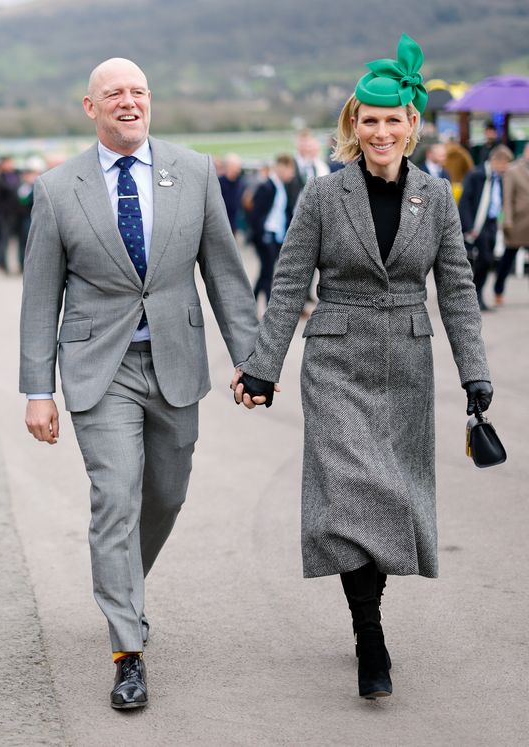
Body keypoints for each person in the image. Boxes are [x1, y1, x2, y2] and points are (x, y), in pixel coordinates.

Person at [234, 35, 493, 701]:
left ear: (412, 124)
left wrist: (476, 374)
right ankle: (369, 632)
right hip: (336, 358)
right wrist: (262, 367)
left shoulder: (435, 198)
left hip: (407, 359)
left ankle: (369, 618)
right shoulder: (323, 196)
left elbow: (458, 290)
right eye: (367, 120)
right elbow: (289, 283)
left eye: (392, 119)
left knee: (391, 496)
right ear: (355, 125)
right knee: (351, 496)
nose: (380, 131)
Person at [19, 58, 257, 710]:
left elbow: (226, 275)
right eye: (114, 93)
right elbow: (40, 298)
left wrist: (250, 357)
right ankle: (128, 646)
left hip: (176, 360)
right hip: (103, 369)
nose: (129, 101)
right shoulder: (57, 189)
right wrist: (38, 389)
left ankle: (120, 582)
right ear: (91, 107)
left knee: (167, 494)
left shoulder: (196, 172)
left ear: (149, 102)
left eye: (138, 91)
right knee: (116, 497)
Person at [460, 145, 513, 310]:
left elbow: (500, 201)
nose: (505, 168)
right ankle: (474, 294)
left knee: (487, 260)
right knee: (486, 258)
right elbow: (465, 202)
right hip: (478, 224)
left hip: (491, 224)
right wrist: (468, 227)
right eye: (504, 164)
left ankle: (477, 294)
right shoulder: (477, 174)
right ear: (495, 160)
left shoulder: (500, 177)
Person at [248, 154, 297, 305]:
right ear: (282, 168)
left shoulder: (281, 187)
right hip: (266, 236)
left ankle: (252, 304)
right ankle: (268, 307)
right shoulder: (267, 186)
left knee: (265, 272)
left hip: (277, 236)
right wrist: (260, 234)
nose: (292, 174)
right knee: (268, 273)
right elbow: (255, 214)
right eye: (290, 170)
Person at [497, 148, 529, 305]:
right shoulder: (513, 170)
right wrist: (507, 221)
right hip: (517, 223)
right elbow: (507, 198)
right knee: (507, 259)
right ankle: (498, 290)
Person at [0, 156, 22, 273]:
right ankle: (2, 264)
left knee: (21, 240)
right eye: (8, 163)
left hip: (18, 213)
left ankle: (21, 264)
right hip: (5, 214)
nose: (10, 165)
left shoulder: (17, 176)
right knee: (4, 240)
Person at [218, 152, 245, 234]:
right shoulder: (218, 182)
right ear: (229, 166)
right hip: (220, 226)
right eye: (237, 166)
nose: (239, 168)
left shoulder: (240, 182)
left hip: (233, 225)